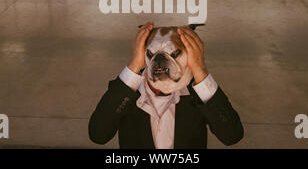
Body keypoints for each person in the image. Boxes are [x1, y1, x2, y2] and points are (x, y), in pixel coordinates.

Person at [88, 23, 244, 148]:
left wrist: (200, 70)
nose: (160, 62)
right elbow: (98, 135)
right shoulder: (127, 92)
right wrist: (134, 66)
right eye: (151, 54)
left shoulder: (199, 95)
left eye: (175, 54)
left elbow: (232, 136)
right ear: (142, 54)